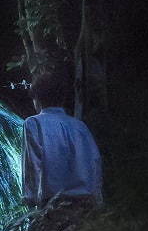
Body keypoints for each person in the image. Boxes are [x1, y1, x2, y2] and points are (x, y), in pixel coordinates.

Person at [21, 69, 103, 206]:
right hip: (86, 203)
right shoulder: (79, 125)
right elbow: (95, 161)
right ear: (62, 98)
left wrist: (30, 199)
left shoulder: (33, 123)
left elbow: (32, 163)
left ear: (37, 99)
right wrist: (98, 199)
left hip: (54, 204)